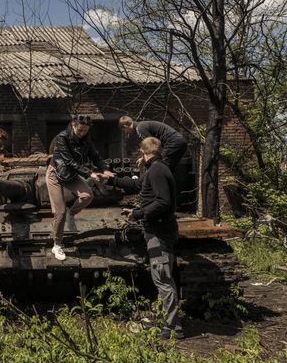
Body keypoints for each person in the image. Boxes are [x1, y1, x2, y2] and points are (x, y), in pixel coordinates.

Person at [110, 137, 183, 340]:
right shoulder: (155, 169)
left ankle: (172, 328)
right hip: (157, 230)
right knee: (162, 277)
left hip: (160, 233)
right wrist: (111, 179)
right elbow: (136, 185)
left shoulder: (157, 171)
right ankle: (170, 322)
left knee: (162, 278)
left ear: (142, 151)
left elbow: (163, 202)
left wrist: (138, 213)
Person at [47, 115, 114, 261]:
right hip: (55, 174)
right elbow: (69, 161)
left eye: (85, 130)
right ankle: (57, 245)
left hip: (71, 175)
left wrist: (105, 169)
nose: (82, 133)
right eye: (80, 130)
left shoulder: (86, 139)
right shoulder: (62, 138)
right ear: (73, 125)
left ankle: (71, 214)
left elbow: (95, 156)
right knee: (59, 212)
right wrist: (90, 173)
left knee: (87, 196)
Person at [118, 116, 188, 171]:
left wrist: (143, 159)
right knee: (168, 168)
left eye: (124, 130)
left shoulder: (140, 128)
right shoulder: (142, 125)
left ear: (125, 127)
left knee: (159, 166)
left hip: (172, 142)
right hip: (180, 141)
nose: (126, 132)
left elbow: (151, 147)